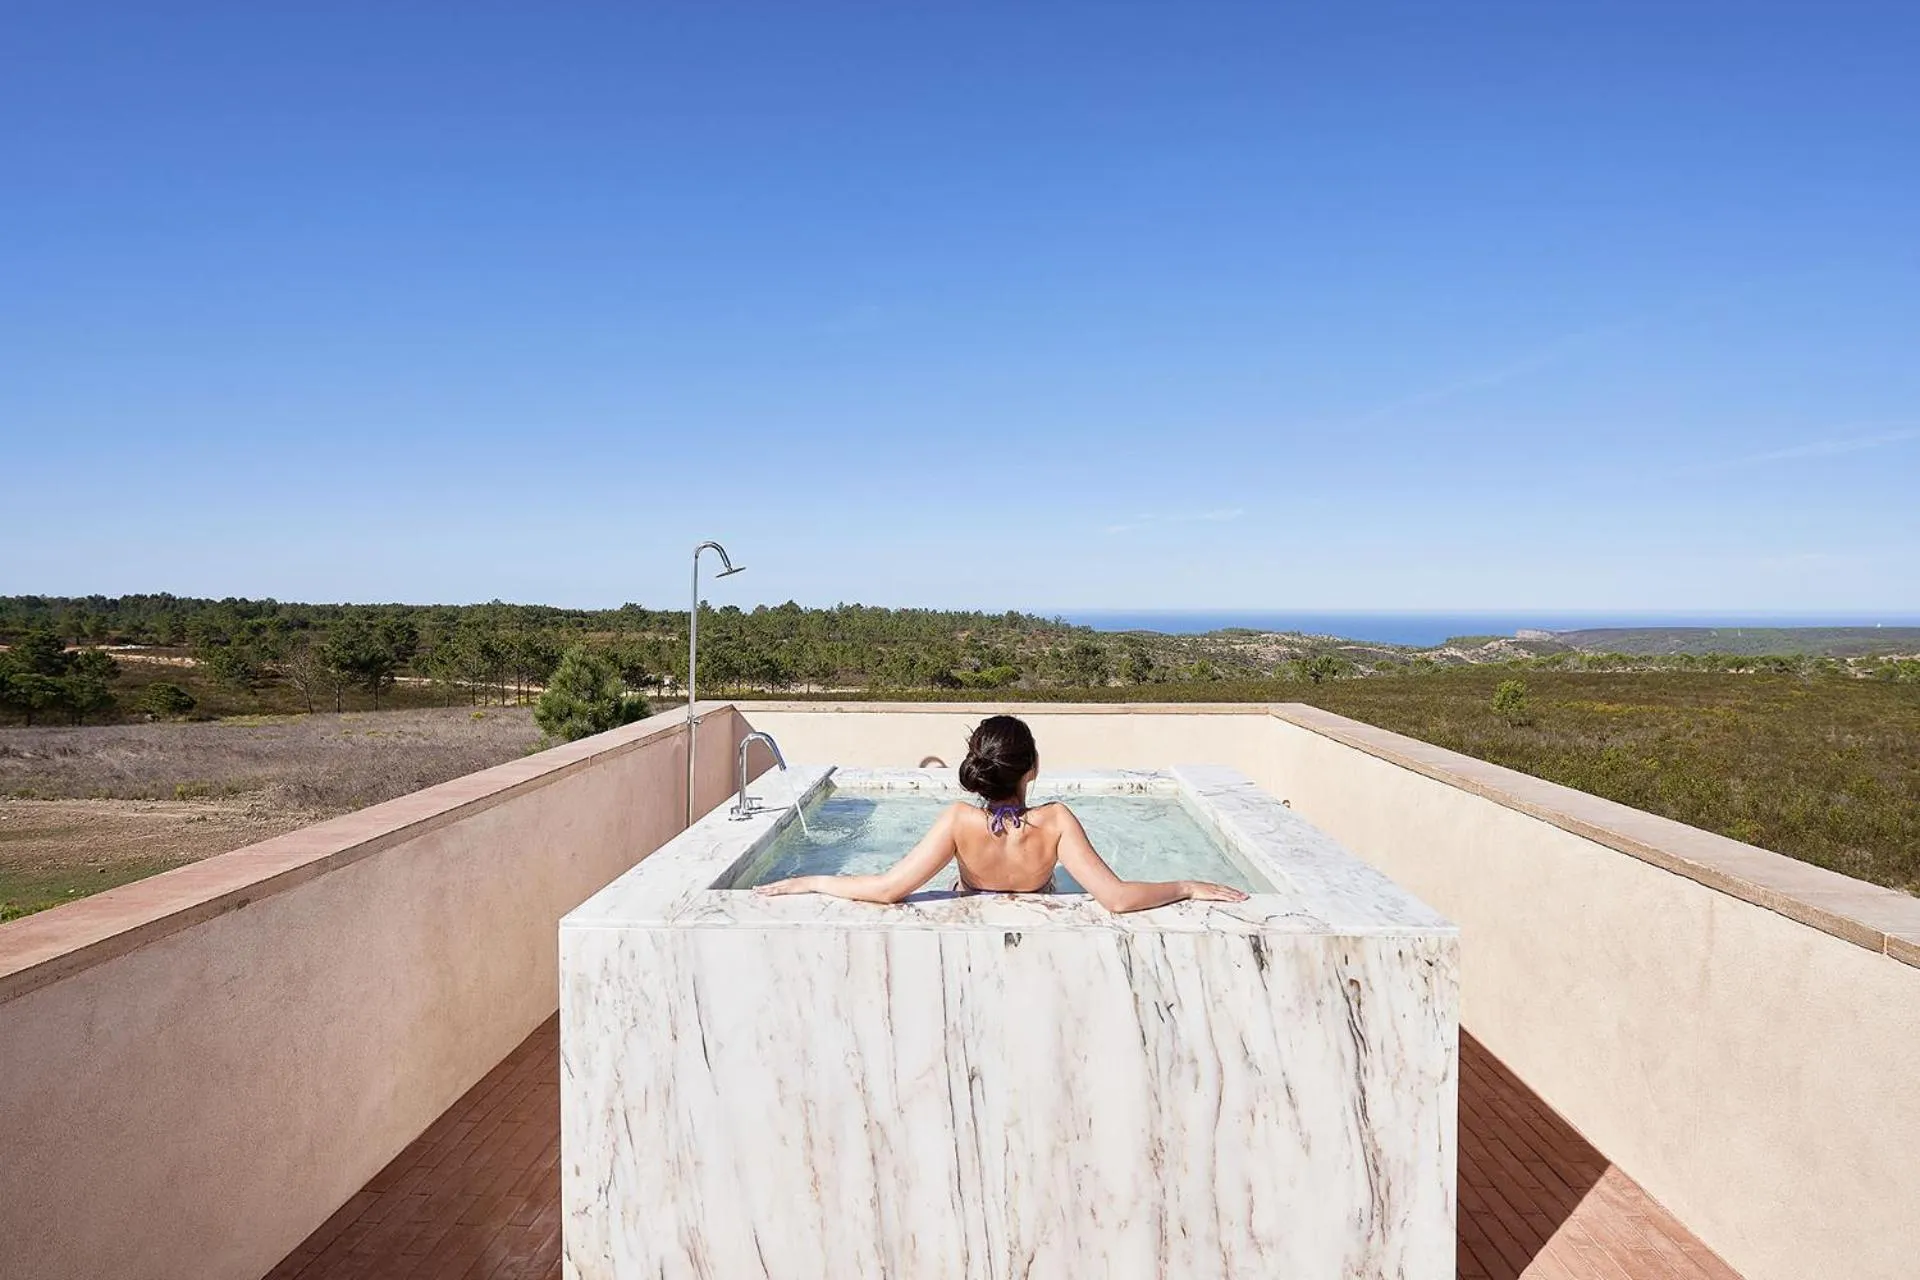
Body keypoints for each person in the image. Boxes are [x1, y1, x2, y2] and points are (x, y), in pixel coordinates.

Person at [753, 714, 1250, 913]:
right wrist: (1186, 886)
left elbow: (886, 889)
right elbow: (1116, 898)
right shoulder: (1056, 822)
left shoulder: (957, 822)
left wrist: (811, 880)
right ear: (1031, 768)